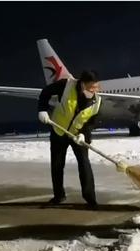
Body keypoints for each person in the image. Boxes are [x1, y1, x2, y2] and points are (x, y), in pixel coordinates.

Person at [37, 70, 102, 209]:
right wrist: (42, 110)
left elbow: (92, 121)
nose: (95, 90)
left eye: (97, 87)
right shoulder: (66, 85)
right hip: (59, 131)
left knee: (84, 164)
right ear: (83, 85)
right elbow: (45, 92)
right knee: (57, 165)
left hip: (77, 135)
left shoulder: (97, 101)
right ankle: (59, 195)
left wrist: (84, 134)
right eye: (92, 87)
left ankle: (90, 198)